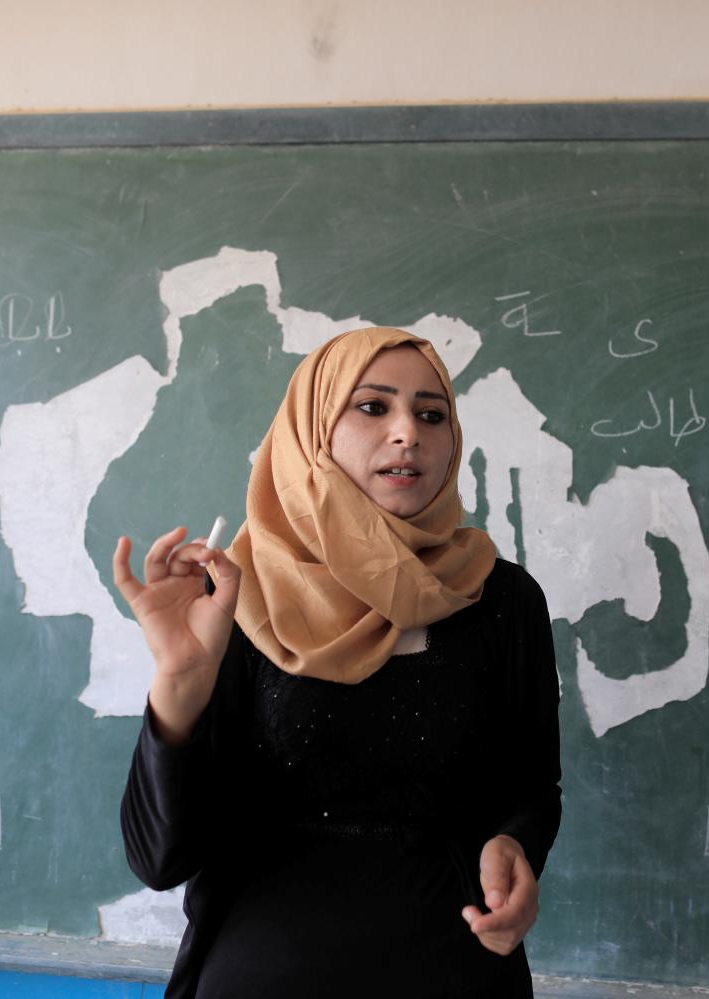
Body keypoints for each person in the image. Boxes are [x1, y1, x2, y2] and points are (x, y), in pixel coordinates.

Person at [116, 327, 562, 998]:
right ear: (313, 430)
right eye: (372, 407)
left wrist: (517, 846)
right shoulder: (236, 595)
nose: (407, 433)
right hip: (264, 976)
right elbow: (159, 859)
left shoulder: (500, 599)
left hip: (454, 969)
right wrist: (180, 684)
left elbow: (531, 786)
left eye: (431, 414)